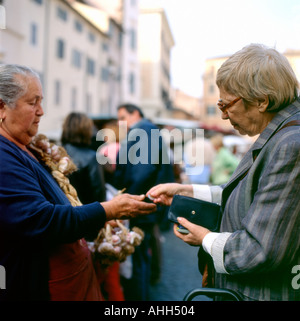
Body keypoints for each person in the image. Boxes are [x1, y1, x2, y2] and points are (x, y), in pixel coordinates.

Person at [147, 44, 300, 301]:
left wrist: (206, 238)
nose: (224, 116)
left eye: (226, 104)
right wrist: (185, 191)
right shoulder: (281, 134)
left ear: (262, 101)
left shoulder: (290, 144)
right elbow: (252, 194)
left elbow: (258, 251)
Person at [0, 64, 156, 301]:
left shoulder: (24, 146)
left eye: (41, 101)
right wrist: (108, 210)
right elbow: (41, 220)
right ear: (2, 107)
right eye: (33, 103)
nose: (41, 111)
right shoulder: (3, 154)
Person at [113, 103, 175, 300]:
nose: (120, 122)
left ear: (136, 113)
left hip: (142, 201)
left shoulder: (143, 130)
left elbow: (143, 171)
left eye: (123, 117)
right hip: (147, 199)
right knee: (142, 254)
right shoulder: (147, 129)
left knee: (138, 256)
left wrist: (129, 197)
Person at [61, 112, 106, 204]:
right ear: (86, 130)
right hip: (85, 212)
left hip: (58, 212)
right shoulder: (91, 157)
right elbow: (99, 194)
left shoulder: (52, 154)